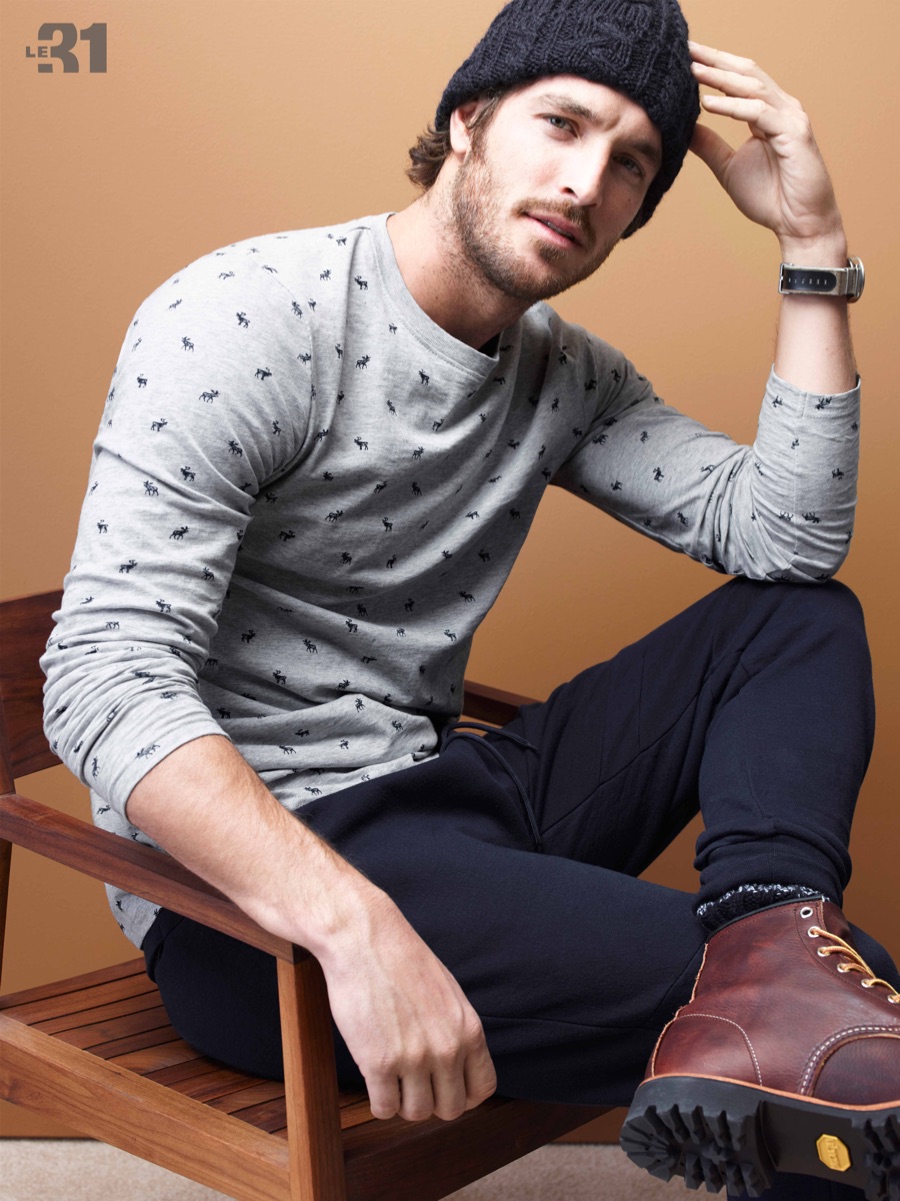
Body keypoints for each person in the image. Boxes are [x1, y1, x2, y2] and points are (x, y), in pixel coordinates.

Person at [41, 1, 899, 1197]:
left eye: (633, 163)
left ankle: (772, 930)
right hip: (252, 899)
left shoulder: (562, 375)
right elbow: (101, 679)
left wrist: (812, 237)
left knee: (798, 622)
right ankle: (790, 993)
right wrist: (351, 925)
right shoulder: (248, 318)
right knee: (848, 1023)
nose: (586, 182)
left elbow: (788, 539)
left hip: (455, 801)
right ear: (469, 120)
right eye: (563, 124)